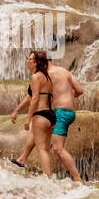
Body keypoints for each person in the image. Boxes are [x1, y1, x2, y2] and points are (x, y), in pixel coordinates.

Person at [27, 51, 84, 181]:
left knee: (58, 148)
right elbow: (80, 90)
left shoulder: (46, 75)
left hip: (60, 112)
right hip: (70, 112)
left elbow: (33, 95)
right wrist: (69, 99)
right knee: (44, 140)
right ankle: (23, 158)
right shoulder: (64, 71)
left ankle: (77, 179)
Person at [9, 51, 56, 170]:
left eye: (30, 59)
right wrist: (16, 110)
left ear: (36, 63)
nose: (27, 61)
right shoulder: (46, 77)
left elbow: (35, 98)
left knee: (42, 150)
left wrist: (28, 118)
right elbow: (30, 96)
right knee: (43, 147)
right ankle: (22, 159)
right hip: (50, 115)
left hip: (40, 115)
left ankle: (48, 180)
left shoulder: (35, 77)